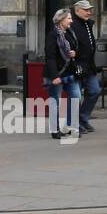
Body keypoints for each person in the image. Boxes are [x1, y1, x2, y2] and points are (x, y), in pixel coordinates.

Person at [45, 8, 80, 141]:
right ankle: (55, 129)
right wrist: (54, 76)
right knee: (56, 101)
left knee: (76, 97)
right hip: (58, 72)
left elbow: (75, 48)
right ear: (61, 20)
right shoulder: (52, 35)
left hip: (70, 72)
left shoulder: (70, 32)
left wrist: (75, 53)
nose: (71, 21)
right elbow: (50, 57)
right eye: (69, 18)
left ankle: (71, 127)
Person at [69, 0, 99, 134]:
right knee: (75, 96)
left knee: (95, 91)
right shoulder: (72, 24)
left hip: (89, 66)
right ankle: (74, 123)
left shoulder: (87, 24)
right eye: (86, 10)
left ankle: (82, 119)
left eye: (90, 9)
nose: (89, 12)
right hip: (77, 66)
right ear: (77, 11)